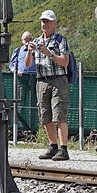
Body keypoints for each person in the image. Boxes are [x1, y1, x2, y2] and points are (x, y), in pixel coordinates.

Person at [26, 10, 71, 161]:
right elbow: (28, 64)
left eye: (47, 21)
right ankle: (53, 146)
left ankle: (63, 148)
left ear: (54, 23)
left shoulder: (60, 40)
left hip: (58, 80)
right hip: (42, 81)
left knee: (59, 114)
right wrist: (29, 51)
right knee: (45, 115)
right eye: (43, 21)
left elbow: (65, 62)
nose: (44, 24)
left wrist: (48, 53)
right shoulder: (38, 40)